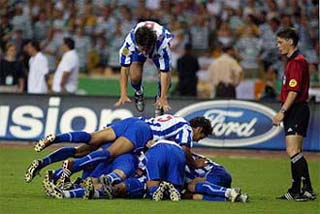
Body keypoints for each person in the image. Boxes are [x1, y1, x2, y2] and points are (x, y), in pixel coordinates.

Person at [272, 28, 316, 201]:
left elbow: (294, 90)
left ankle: (308, 189)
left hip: (295, 108)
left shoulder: (297, 61)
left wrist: (282, 111)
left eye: (280, 42)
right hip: (296, 109)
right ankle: (295, 189)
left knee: (292, 150)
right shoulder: (292, 61)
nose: (278, 46)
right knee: (295, 150)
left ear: (290, 41)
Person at [114, 21, 174, 116]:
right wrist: (123, 93)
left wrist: (163, 97)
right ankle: (138, 92)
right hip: (141, 49)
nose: (145, 52)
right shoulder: (129, 44)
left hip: (155, 50)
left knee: (167, 78)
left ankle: (159, 99)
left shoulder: (162, 45)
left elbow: (164, 73)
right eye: (143, 49)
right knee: (134, 77)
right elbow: (124, 69)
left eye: (147, 49)